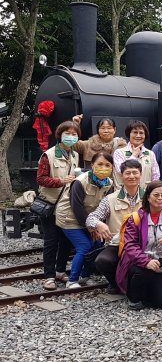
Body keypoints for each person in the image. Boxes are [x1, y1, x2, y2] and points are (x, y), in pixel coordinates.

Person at [116, 180, 162, 309]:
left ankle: (148, 291)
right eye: (156, 195)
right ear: (148, 196)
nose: (160, 198)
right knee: (143, 273)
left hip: (160, 265)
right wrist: (146, 262)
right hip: (138, 265)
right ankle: (133, 298)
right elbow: (130, 245)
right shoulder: (136, 218)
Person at [55, 151, 114, 288]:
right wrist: (92, 228)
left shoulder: (109, 183)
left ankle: (85, 276)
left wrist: (97, 225)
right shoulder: (80, 181)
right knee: (84, 246)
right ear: (92, 165)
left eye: (107, 165)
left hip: (90, 219)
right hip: (69, 218)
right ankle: (72, 280)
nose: (103, 167)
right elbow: (77, 208)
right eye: (99, 164)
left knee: (96, 245)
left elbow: (105, 206)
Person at [86, 159, 144, 294]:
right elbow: (91, 218)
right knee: (102, 261)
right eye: (127, 173)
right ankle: (115, 282)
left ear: (140, 175)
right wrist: (98, 224)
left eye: (135, 173)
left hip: (143, 244)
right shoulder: (110, 199)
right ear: (121, 176)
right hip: (117, 245)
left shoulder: (149, 196)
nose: (131, 176)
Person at [36, 121, 80, 290]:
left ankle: (60, 271)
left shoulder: (75, 155)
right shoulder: (49, 155)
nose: (71, 137)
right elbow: (40, 179)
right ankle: (49, 276)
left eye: (74, 134)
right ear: (60, 135)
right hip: (50, 204)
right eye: (67, 133)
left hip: (67, 205)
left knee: (65, 240)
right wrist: (60, 181)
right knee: (51, 241)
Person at [113, 120, 160, 189]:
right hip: (124, 195)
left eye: (141, 133)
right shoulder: (119, 152)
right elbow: (121, 171)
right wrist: (134, 155)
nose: (138, 135)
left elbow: (155, 176)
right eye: (135, 132)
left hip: (145, 194)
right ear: (129, 134)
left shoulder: (150, 154)